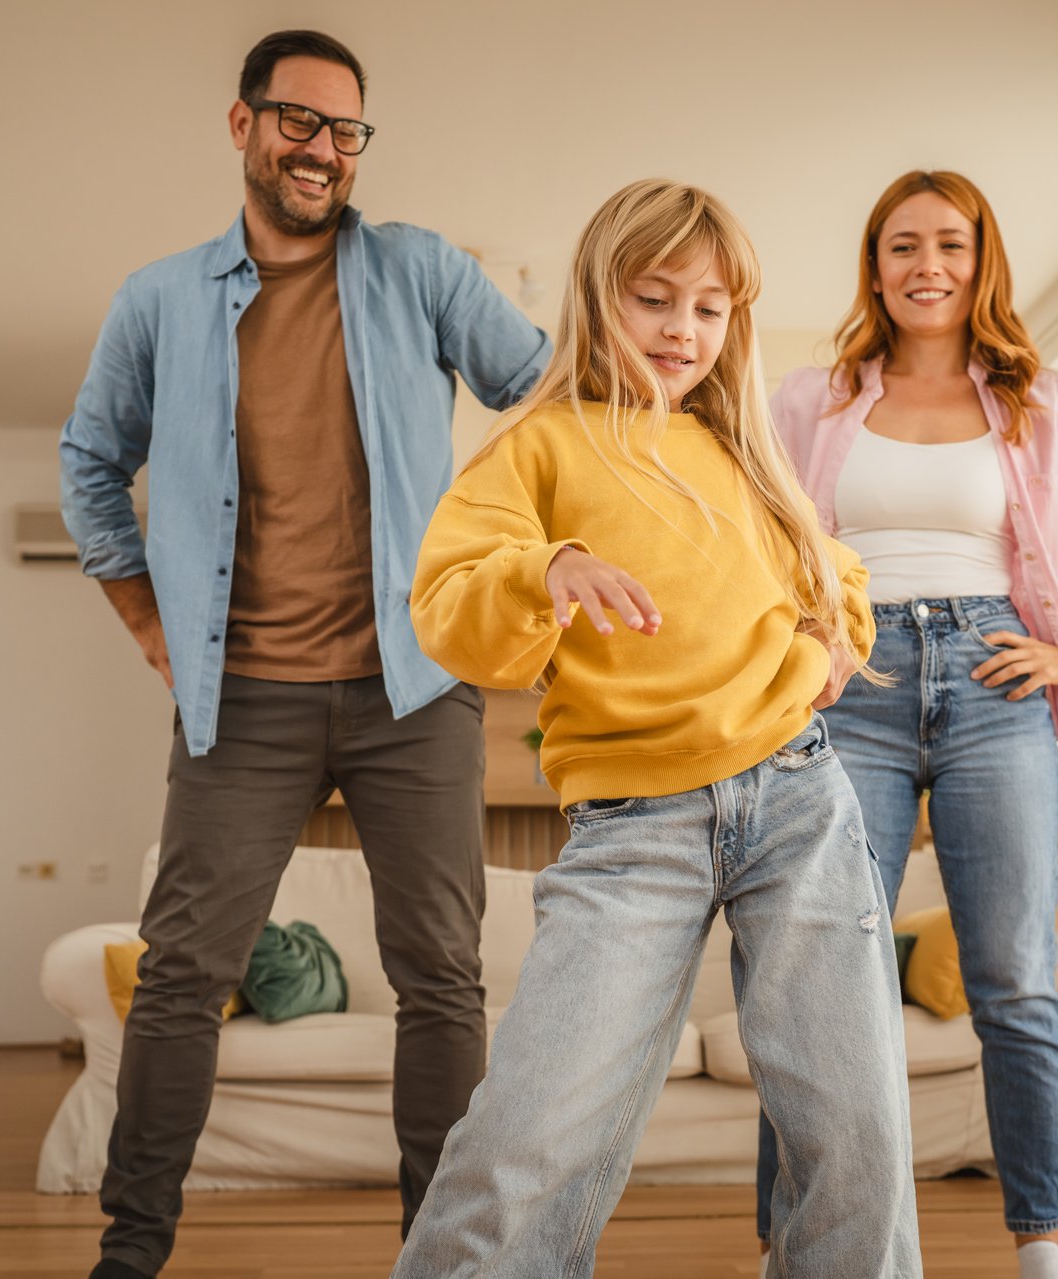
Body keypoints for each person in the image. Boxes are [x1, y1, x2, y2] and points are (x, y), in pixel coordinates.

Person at [57, 29, 550, 1279]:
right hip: (244, 701)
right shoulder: (159, 299)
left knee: (442, 979)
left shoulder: (421, 271)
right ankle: (131, 1251)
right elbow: (87, 464)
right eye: (298, 123)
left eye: (345, 131)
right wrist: (147, 623)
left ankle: (440, 1256)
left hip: (417, 690)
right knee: (180, 977)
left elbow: (547, 396)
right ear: (242, 125)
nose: (323, 151)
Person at [393, 179, 922, 1279]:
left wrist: (830, 647)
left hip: (799, 801)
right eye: (654, 298)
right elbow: (450, 605)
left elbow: (843, 577)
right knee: (528, 1132)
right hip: (635, 826)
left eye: (710, 308)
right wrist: (550, 566)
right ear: (598, 296)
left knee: (856, 1126)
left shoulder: (748, 458)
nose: (683, 329)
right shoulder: (538, 446)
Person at [761, 169, 1058, 1279]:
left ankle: (1038, 1238)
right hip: (848, 682)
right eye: (903, 246)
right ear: (876, 265)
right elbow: (744, 525)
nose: (927, 266)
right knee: (818, 963)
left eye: (949, 244)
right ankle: (800, 1238)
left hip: (994, 682)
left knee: (1011, 971)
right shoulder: (813, 399)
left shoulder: (1040, 399)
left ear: (981, 259)